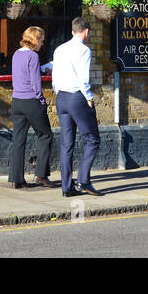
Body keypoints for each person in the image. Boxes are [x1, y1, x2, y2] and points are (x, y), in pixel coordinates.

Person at [51, 17, 103, 197]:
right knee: (92, 139)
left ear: (73, 31)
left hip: (61, 98)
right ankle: (83, 182)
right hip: (76, 98)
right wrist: (88, 97)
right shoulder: (84, 50)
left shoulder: (59, 49)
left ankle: (66, 187)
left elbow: (55, 74)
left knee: (66, 144)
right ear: (86, 32)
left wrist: (57, 91)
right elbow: (83, 78)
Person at [8, 26, 54, 189]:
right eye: (41, 40)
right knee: (46, 135)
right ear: (34, 40)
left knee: (18, 140)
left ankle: (16, 179)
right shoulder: (33, 56)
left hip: (17, 101)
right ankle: (41, 175)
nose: (42, 44)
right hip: (31, 101)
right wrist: (41, 99)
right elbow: (35, 82)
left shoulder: (16, 54)